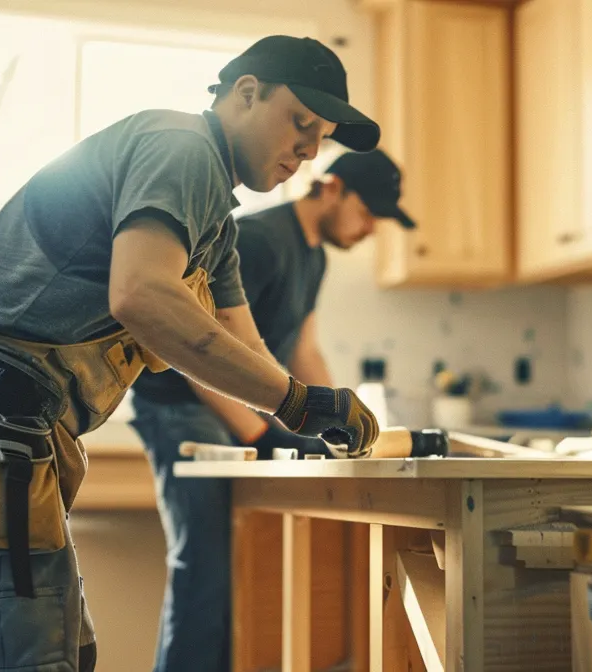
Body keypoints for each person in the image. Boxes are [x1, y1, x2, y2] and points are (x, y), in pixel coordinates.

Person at [0, 35, 384, 672]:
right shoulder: (183, 148)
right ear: (246, 94)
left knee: (58, 647)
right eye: (300, 124)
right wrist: (297, 403)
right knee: (30, 654)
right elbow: (141, 294)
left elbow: (241, 338)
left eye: (319, 137)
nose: (307, 151)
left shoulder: (214, 220)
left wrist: (306, 414)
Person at [128, 148, 415, 670]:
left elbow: (304, 349)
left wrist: (343, 420)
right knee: (205, 569)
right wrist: (261, 436)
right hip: (182, 405)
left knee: (239, 573)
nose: (371, 228)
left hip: (237, 411)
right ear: (331, 187)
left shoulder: (314, 255)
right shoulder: (259, 240)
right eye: (368, 211)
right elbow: (201, 348)